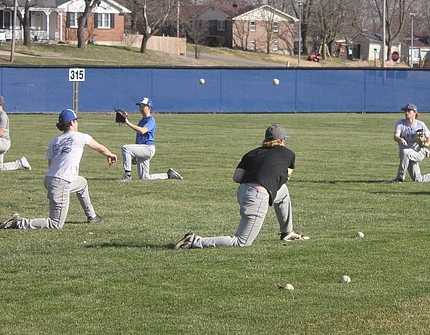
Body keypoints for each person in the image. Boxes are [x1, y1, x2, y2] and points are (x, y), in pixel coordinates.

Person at [172, 124, 309, 249]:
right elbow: (287, 174)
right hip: (257, 197)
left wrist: (255, 174)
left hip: (244, 191)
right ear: (281, 140)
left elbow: (236, 178)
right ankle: (195, 241)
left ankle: (287, 232)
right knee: (241, 242)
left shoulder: (252, 153)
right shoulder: (288, 153)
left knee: (283, 192)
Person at [0, 109, 117, 229]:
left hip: (50, 179)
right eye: (76, 121)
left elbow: (50, 164)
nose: (77, 123)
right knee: (55, 223)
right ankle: (18, 222)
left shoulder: (54, 141)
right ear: (72, 122)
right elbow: (100, 148)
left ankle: (92, 216)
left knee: (82, 183)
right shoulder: (81, 136)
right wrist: (110, 154)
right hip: (61, 182)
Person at [119, 97, 182, 181]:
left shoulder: (151, 120)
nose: (141, 108)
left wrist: (127, 122)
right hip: (142, 148)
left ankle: (127, 175)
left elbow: (142, 131)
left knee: (125, 148)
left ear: (149, 107)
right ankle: (168, 175)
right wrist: (135, 155)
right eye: (140, 106)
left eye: (143, 106)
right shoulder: (141, 121)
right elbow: (139, 138)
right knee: (144, 178)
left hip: (148, 148)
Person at [391, 103, 430, 183]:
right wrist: (400, 139)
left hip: (418, 152)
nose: (406, 112)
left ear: (415, 113)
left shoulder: (420, 124)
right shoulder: (400, 123)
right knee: (418, 179)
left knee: (405, 152)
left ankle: (399, 178)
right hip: (407, 156)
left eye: (409, 111)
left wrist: (426, 144)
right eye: (405, 110)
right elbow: (395, 136)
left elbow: (429, 137)